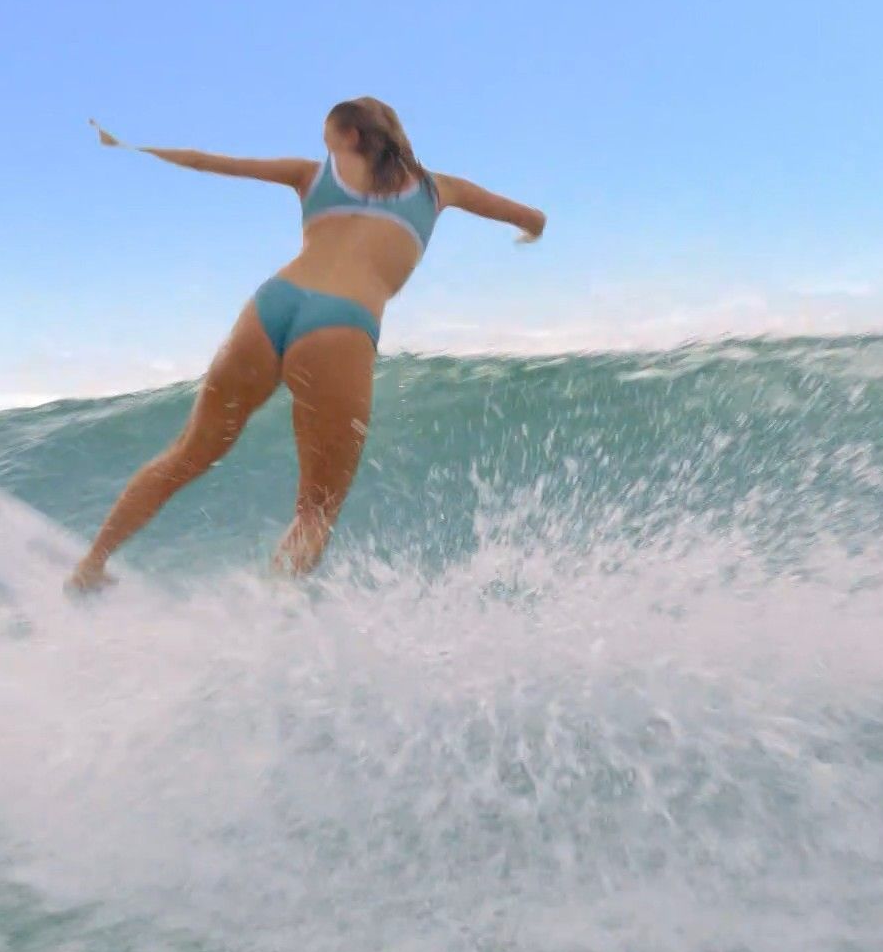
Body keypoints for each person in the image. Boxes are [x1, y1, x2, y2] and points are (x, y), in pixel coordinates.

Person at [67, 97, 546, 589]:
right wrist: (530, 233)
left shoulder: (309, 175)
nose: (324, 146)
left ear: (351, 136)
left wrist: (131, 146)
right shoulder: (438, 188)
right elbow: (531, 217)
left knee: (186, 453)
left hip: (272, 304)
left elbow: (209, 161)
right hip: (341, 322)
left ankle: (90, 567)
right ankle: (266, 617)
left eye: (328, 136)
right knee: (316, 512)